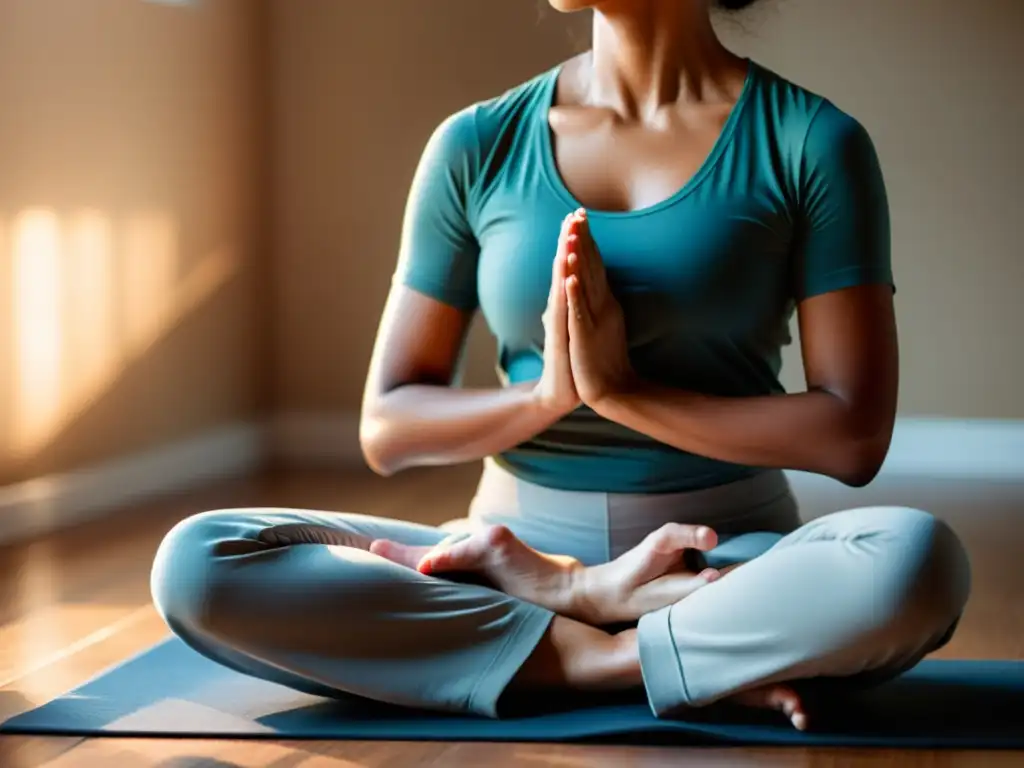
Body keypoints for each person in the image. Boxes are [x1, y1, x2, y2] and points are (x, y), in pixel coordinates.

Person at [150, 0, 971, 731]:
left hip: (721, 562)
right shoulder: (476, 143)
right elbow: (389, 423)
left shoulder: (813, 142)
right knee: (200, 564)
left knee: (915, 563)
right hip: (497, 564)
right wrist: (550, 396)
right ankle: (619, 652)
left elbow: (851, 435)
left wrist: (623, 393)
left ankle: (548, 642)